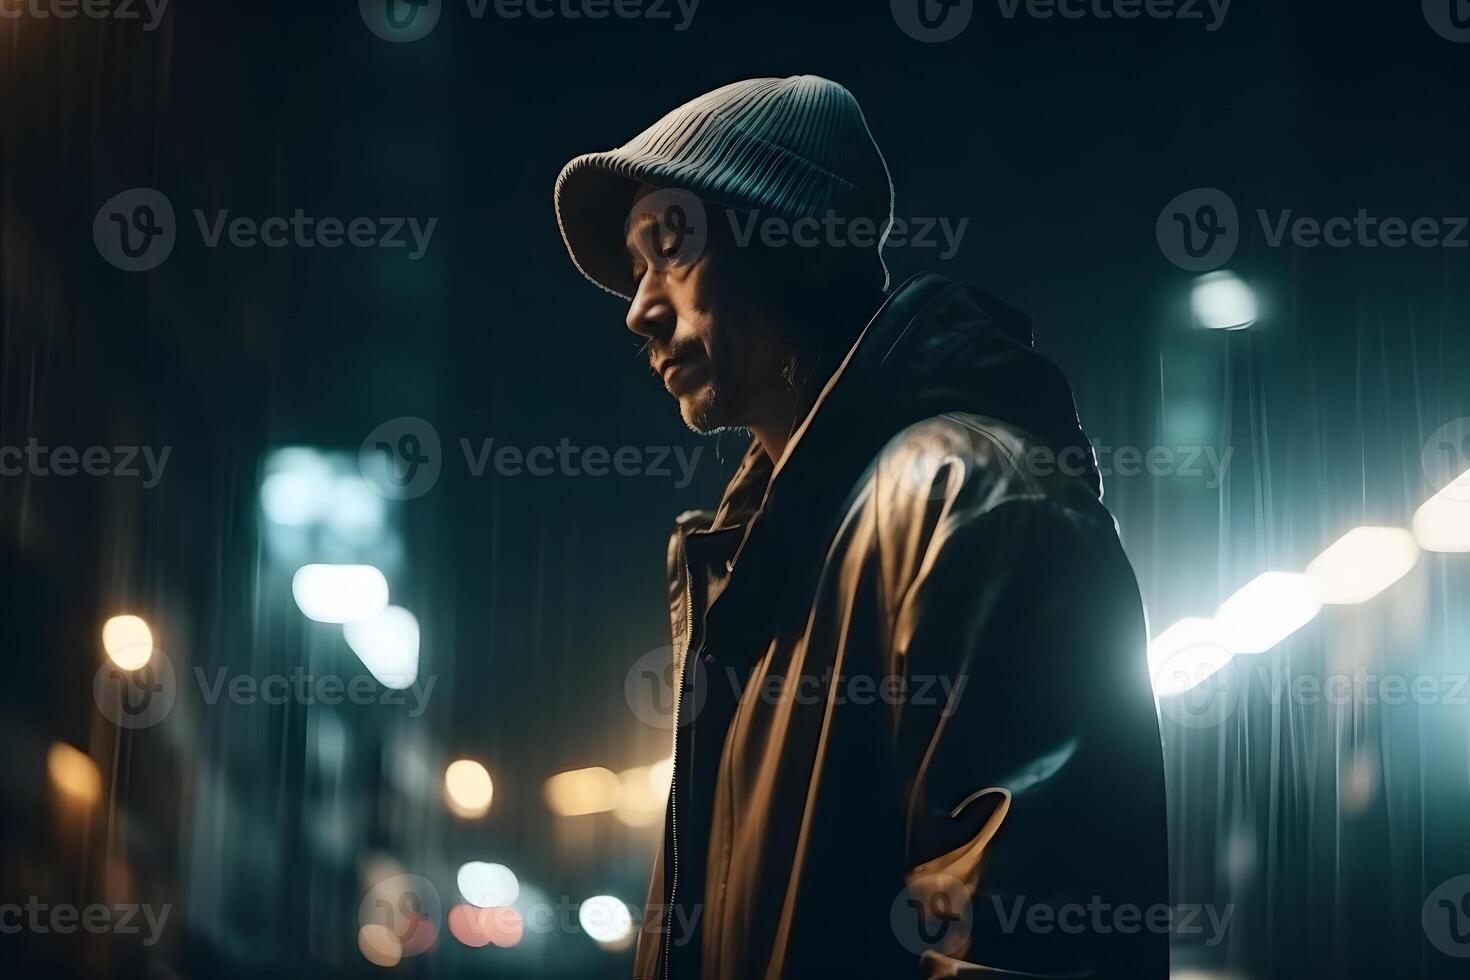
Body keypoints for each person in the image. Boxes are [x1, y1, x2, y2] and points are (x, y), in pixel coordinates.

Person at [554, 74, 1169, 980]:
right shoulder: (771, 556)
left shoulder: (968, 502)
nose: (639, 309)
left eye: (672, 250)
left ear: (795, 245)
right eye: (637, 268)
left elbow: (1023, 953)